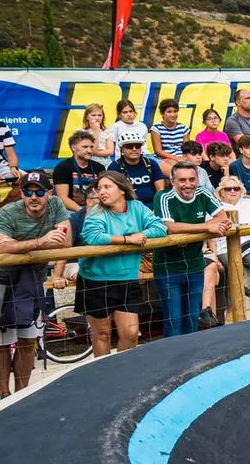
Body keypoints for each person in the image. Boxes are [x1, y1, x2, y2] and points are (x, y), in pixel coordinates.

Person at [0, 172, 70, 397]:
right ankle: (4, 396)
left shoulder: (56, 205)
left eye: (40, 191)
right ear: (21, 192)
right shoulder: (8, 212)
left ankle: (21, 394)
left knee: (28, 339)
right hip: (0, 280)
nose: (34, 196)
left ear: (49, 193)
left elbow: (66, 240)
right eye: (28, 191)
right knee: (1, 340)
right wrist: (41, 243)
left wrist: (19, 245)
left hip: (33, 280)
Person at [77, 171, 164, 357]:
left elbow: (160, 227)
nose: (102, 192)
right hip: (96, 280)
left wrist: (143, 234)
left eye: (107, 187)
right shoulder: (97, 211)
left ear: (122, 189)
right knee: (102, 334)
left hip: (127, 278)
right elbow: (92, 236)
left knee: (131, 333)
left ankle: (120, 371)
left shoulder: (137, 207)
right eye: (99, 188)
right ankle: (102, 376)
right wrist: (127, 240)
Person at [153, 159, 232, 336]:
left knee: (193, 318)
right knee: (173, 320)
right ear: (173, 182)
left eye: (192, 179)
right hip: (168, 267)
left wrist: (189, 230)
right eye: (182, 180)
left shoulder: (203, 192)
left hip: (195, 265)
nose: (188, 184)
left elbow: (222, 217)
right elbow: (169, 227)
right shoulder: (163, 197)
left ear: (197, 179)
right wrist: (206, 227)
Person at [107, 136, 168, 210]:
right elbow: (114, 193)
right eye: (129, 146)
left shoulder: (151, 163)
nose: (134, 149)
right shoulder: (115, 167)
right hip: (128, 208)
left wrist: (158, 208)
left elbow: (160, 189)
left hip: (153, 206)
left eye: (138, 146)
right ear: (122, 149)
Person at [52, 131, 107, 213]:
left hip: (97, 209)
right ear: (73, 148)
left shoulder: (99, 167)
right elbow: (63, 198)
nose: (89, 150)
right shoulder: (62, 168)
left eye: (91, 147)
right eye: (85, 147)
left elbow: (104, 193)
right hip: (71, 210)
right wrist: (82, 211)